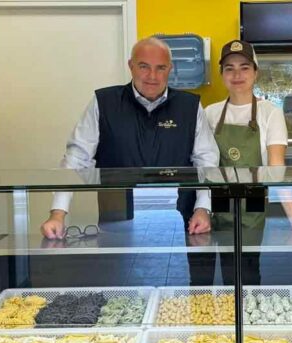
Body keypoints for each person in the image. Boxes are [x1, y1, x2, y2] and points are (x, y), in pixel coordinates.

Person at [40, 36, 219, 239]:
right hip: (116, 218)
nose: (152, 76)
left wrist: (203, 208)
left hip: (185, 219)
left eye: (161, 68)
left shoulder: (189, 106)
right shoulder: (104, 102)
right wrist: (58, 213)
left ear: (170, 69)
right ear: (131, 66)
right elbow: (76, 159)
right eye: (144, 66)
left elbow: (206, 161)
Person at [192, 39, 292, 285]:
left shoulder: (270, 112)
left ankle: (248, 307)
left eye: (244, 67)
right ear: (221, 74)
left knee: (248, 269)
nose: (237, 75)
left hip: (252, 200)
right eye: (229, 68)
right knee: (225, 269)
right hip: (217, 201)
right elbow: (204, 165)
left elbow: (276, 167)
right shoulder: (210, 113)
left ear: (255, 72)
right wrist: (203, 208)